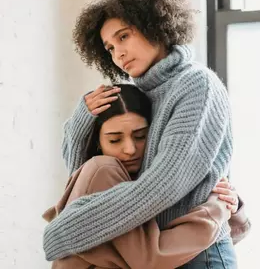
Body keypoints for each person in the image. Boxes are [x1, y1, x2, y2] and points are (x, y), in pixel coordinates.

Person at [43, 0, 251, 268]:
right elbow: (88, 179)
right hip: (159, 251)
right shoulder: (143, 94)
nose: (118, 54)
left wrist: (69, 229)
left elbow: (163, 185)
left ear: (154, 24)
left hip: (199, 257)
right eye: (110, 47)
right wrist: (83, 119)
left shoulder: (196, 84)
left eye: (124, 37)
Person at [43, 84, 247, 269]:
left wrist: (232, 204)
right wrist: (217, 209)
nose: (130, 149)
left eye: (141, 136)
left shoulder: (139, 181)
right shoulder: (103, 169)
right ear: (98, 142)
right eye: (115, 140)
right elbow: (151, 259)